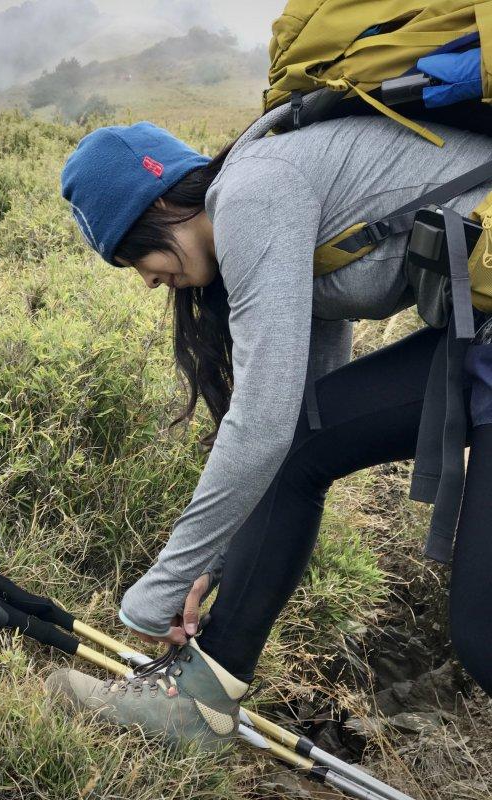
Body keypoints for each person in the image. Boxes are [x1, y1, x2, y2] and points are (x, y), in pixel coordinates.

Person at [45, 110, 492, 753]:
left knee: (483, 631)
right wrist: (215, 564)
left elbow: (263, 420)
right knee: (309, 445)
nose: (145, 278)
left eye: (134, 250)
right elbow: (311, 421)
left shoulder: (253, 192)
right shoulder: (270, 200)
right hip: (480, 340)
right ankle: (199, 703)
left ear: (165, 200)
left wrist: (161, 589)